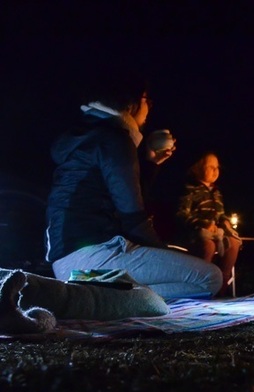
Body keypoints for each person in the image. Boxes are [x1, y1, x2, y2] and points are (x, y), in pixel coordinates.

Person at [45, 73, 222, 299]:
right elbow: (133, 217)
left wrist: (150, 164)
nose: (149, 107)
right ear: (131, 102)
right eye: (147, 100)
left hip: (67, 259)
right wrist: (162, 251)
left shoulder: (88, 135)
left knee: (181, 268)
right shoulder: (115, 139)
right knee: (210, 277)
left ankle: (102, 294)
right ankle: (106, 298)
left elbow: (121, 200)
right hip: (97, 255)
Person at [176, 152, 242, 296]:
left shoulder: (217, 192)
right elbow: (182, 214)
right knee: (209, 245)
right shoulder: (190, 189)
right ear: (197, 168)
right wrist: (202, 224)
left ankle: (221, 287)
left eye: (217, 167)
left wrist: (225, 222)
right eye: (210, 167)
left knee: (233, 243)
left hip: (216, 233)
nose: (215, 170)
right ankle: (200, 286)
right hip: (195, 233)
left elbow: (220, 214)